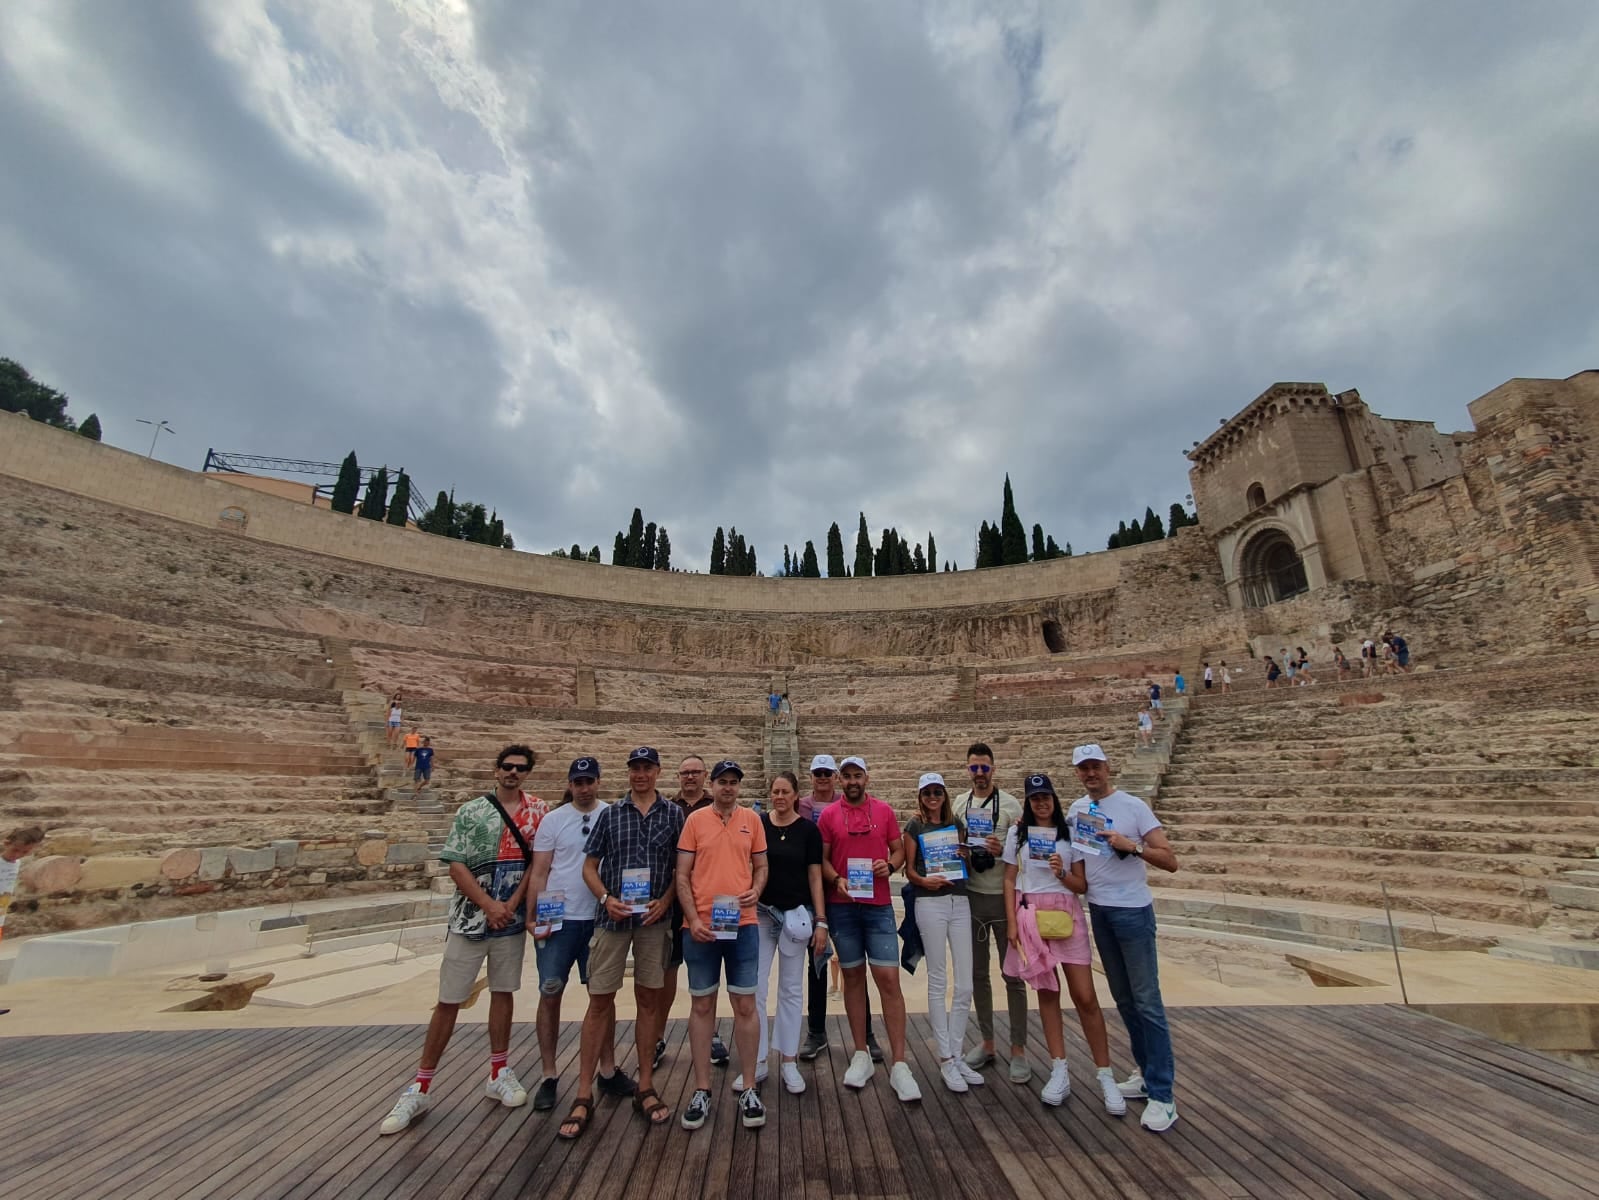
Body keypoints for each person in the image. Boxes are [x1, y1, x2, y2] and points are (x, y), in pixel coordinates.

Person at [379, 744, 547, 1135]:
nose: (513, 773)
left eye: (520, 768)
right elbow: (455, 865)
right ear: (496, 769)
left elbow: (537, 865)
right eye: (507, 766)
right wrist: (489, 904)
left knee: (503, 993)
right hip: (470, 920)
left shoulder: (539, 811)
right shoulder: (471, 811)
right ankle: (420, 1085)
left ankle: (499, 1070)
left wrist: (513, 905)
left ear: (528, 773)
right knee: (449, 1000)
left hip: (509, 920)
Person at [1067, 744, 1181, 1132]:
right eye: (1083, 769)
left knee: (1148, 1001)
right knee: (1125, 999)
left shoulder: (1133, 807)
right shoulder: (1076, 810)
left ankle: (1164, 1095)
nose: (1090, 774)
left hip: (1133, 911)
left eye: (1095, 766)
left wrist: (1131, 846)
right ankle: (1147, 1074)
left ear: (1107, 767)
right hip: (1099, 910)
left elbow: (1169, 859)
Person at [573, 746, 684, 1133]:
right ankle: (584, 1092)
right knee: (599, 1000)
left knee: (649, 999)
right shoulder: (610, 814)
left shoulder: (673, 814)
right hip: (612, 918)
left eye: (647, 768)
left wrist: (667, 900)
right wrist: (606, 898)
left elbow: (680, 868)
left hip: (654, 919)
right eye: (635, 768)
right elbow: (589, 866)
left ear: (658, 771)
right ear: (629, 773)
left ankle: (646, 1085)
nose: (640, 774)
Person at [1002, 773, 1125, 1114]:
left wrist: (1061, 873)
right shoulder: (1018, 833)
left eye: (1046, 797)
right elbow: (1010, 878)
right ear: (1028, 802)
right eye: (1035, 798)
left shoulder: (1070, 832)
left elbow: (1081, 884)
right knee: (1048, 993)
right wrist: (1011, 923)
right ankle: (1059, 1069)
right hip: (1031, 916)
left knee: (1085, 996)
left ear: (1054, 799)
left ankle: (1105, 1075)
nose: (1041, 803)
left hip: (1065, 911)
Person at [525, 757, 635, 1120]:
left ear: (599, 782)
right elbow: (539, 871)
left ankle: (607, 1069)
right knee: (550, 991)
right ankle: (549, 1073)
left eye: (589, 781)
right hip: (559, 919)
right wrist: (532, 914)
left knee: (602, 994)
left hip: (599, 917)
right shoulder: (553, 821)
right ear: (570, 784)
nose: (584, 787)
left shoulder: (614, 813)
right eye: (578, 782)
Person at [818, 756, 920, 1102]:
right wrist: (837, 879)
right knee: (853, 977)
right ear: (839, 780)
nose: (851, 781)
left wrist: (888, 866)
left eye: (856, 775)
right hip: (843, 907)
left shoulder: (885, 812)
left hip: (877, 907)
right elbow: (824, 860)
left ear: (867, 778)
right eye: (845, 776)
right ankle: (860, 1053)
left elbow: (898, 852)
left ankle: (900, 1063)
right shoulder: (830, 815)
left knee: (888, 980)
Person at [675, 759, 769, 1130]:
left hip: (742, 924)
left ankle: (748, 1086)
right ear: (711, 785)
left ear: (739, 787)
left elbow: (761, 867)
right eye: (722, 781)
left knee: (745, 1004)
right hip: (700, 926)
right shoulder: (694, 821)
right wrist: (693, 920)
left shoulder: (753, 820)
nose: (728, 787)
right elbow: (682, 874)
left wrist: (757, 889)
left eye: (733, 782)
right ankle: (702, 1088)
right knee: (701, 1005)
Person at [798, 755, 882, 1063]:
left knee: (856, 968)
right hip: (812, 893)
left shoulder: (846, 804)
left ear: (836, 777)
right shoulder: (801, 806)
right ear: (811, 776)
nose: (822, 777)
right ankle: (816, 1032)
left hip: (848, 893)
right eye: (817, 773)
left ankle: (868, 1034)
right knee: (818, 963)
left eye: (827, 773)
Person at [903, 772, 981, 1094]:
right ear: (920, 796)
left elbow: (968, 867)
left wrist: (967, 857)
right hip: (929, 903)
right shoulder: (914, 826)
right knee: (938, 980)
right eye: (927, 792)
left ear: (944, 794)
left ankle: (958, 1051)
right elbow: (908, 870)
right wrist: (926, 881)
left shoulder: (957, 824)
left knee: (965, 983)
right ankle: (946, 1057)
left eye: (937, 792)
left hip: (959, 901)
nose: (932, 797)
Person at [957, 742, 1029, 1082]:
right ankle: (987, 1042)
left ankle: (1018, 1049)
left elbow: (1027, 856)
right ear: (967, 769)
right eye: (974, 768)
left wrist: (1005, 849)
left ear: (994, 769)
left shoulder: (1012, 806)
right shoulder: (960, 804)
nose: (980, 774)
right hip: (971, 897)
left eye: (985, 767)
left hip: (1003, 899)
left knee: (1013, 977)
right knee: (977, 976)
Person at [755, 771, 828, 1095]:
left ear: (796, 795)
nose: (780, 796)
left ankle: (788, 1060)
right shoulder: (758, 824)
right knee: (754, 988)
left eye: (785, 791)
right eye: (775, 791)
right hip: (761, 914)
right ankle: (755, 1060)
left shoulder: (809, 831)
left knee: (790, 989)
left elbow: (815, 877)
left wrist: (821, 920)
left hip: (796, 917)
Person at [658, 755, 729, 1073]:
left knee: (707, 978)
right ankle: (658, 1038)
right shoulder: (667, 809)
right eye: (685, 772)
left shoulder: (717, 809)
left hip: (707, 905)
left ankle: (711, 1034)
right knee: (666, 975)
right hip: (671, 907)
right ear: (677, 776)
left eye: (695, 772)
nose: (690, 777)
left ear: (705, 776)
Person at [1, 825, 44, 946]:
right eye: (15, 850)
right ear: (6, 843)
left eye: (25, 852)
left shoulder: (17, 864)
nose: (18, 854)